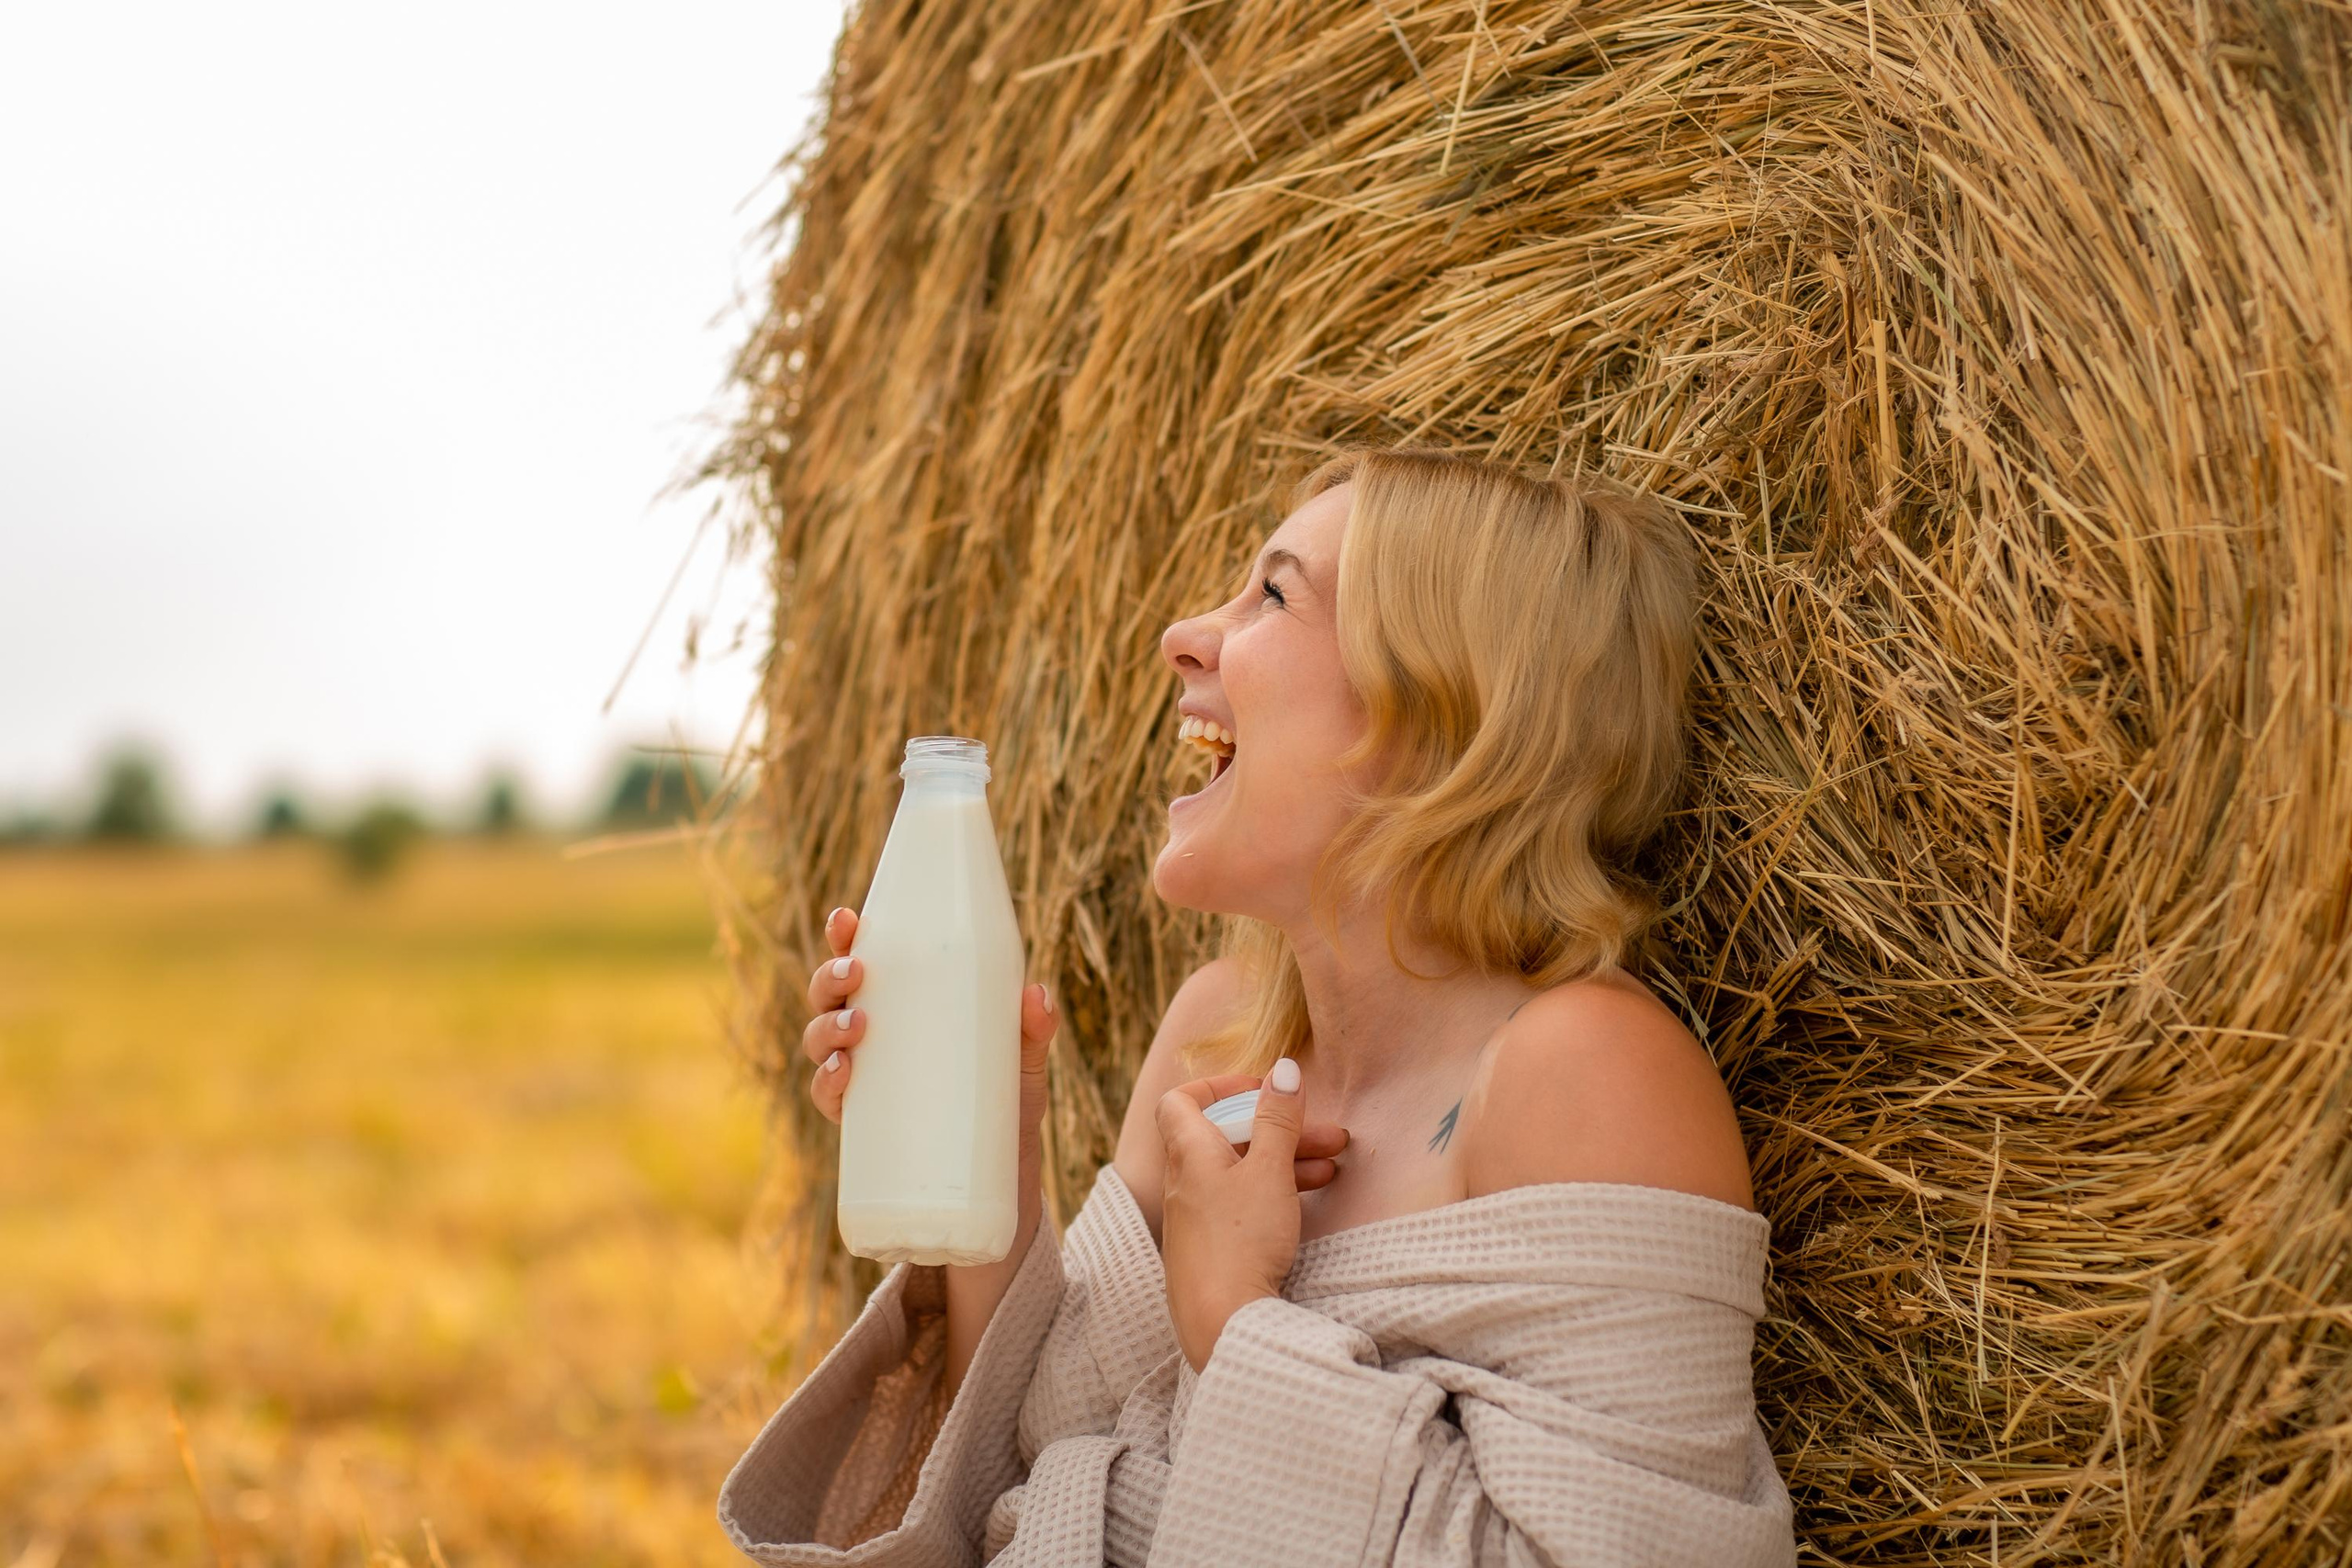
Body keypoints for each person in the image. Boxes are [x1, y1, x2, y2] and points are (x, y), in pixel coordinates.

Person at [718, 446, 1796, 1566]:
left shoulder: (1583, 1071)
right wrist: (983, 1161)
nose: (1181, 634)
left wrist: (1237, 1324)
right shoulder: (1218, 1032)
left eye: (1272, 595)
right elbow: (1022, 1465)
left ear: (1444, 715)